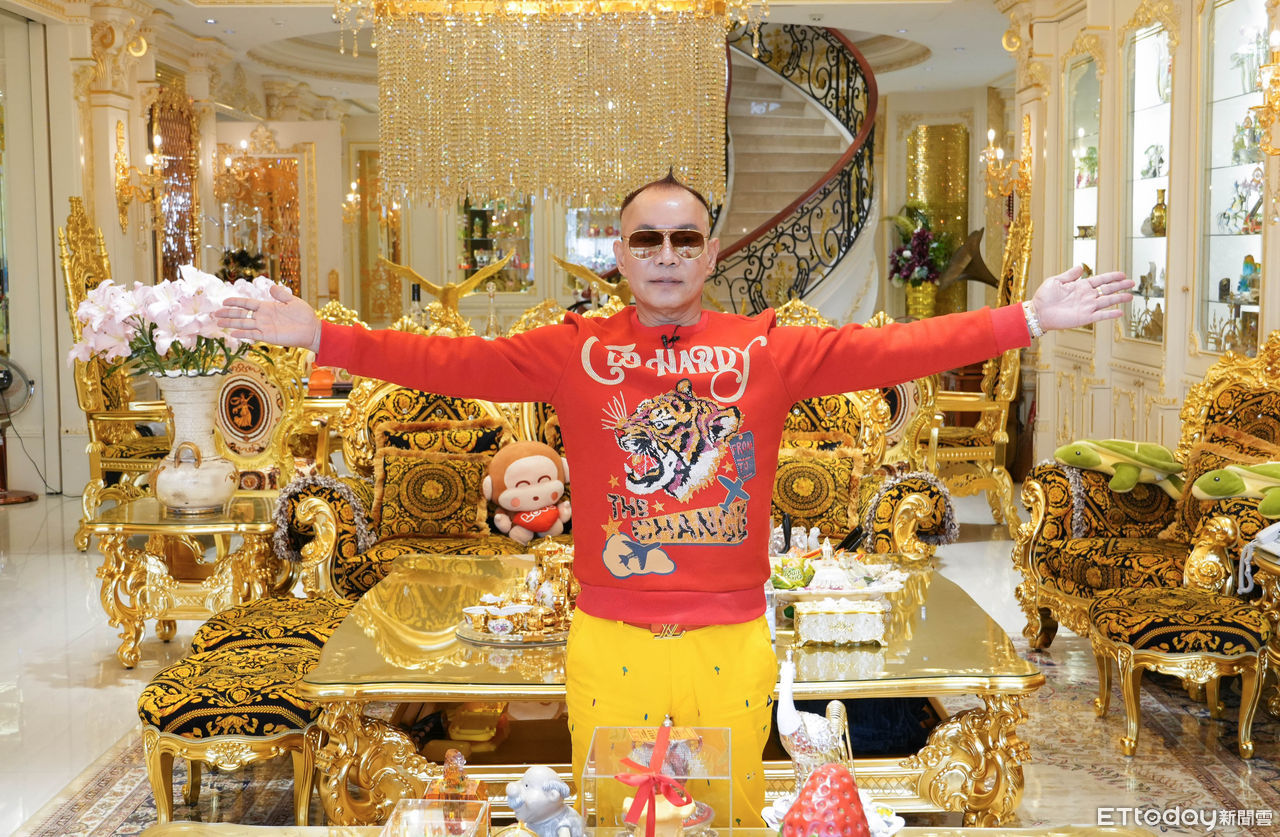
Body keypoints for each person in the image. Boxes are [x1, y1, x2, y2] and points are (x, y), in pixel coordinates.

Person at [217, 172, 1133, 825]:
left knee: (725, 818)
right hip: (609, 635)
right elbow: (444, 360)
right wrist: (321, 335)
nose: (665, 255)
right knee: (613, 817)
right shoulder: (573, 349)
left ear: (709, 251)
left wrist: (1028, 318)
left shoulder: (767, 348)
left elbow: (896, 349)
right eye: (646, 239)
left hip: (729, 641)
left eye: (684, 238)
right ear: (620, 253)